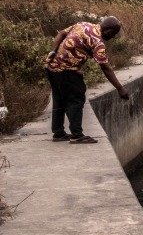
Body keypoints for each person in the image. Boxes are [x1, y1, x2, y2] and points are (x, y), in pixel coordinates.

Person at [45, 15, 129, 143]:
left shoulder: (82, 24)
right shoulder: (98, 41)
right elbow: (105, 67)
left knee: (59, 99)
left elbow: (61, 34)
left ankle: (58, 133)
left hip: (52, 68)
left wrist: (52, 52)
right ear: (108, 29)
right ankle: (77, 135)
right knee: (76, 99)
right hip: (66, 72)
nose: (112, 37)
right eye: (113, 34)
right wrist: (120, 88)